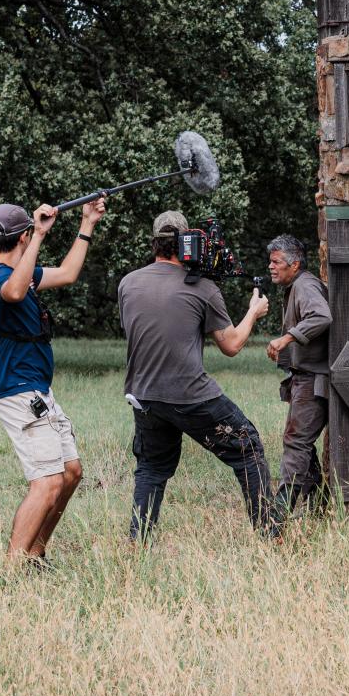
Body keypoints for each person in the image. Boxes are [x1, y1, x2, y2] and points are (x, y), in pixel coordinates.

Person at [118, 211, 275, 539]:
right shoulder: (204, 288)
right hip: (191, 395)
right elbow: (230, 345)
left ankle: (138, 543)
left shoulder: (128, 283)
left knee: (151, 469)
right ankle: (272, 536)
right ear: (188, 244)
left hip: (144, 395)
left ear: (155, 243)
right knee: (248, 448)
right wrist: (253, 312)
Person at [0, 196, 107, 566]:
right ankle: (11, 569)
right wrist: (38, 235)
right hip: (16, 389)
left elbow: (67, 273)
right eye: (28, 237)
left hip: (35, 387)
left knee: (70, 473)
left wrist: (87, 224)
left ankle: (36, 553)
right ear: (21, 239)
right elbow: (14, 292)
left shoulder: (23, 270)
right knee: (47, 481)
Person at [265, 235, 332, 516]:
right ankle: (320, 501)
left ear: (294, 265)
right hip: (304, 377)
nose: (271, 267)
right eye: (270, 261)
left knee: (296, 442)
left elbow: (321, 316)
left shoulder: (304, 285)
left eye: (276, 262)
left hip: (313, 379)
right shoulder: (296, 286)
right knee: (301, 442)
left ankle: (279, 513)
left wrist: (286, 339)